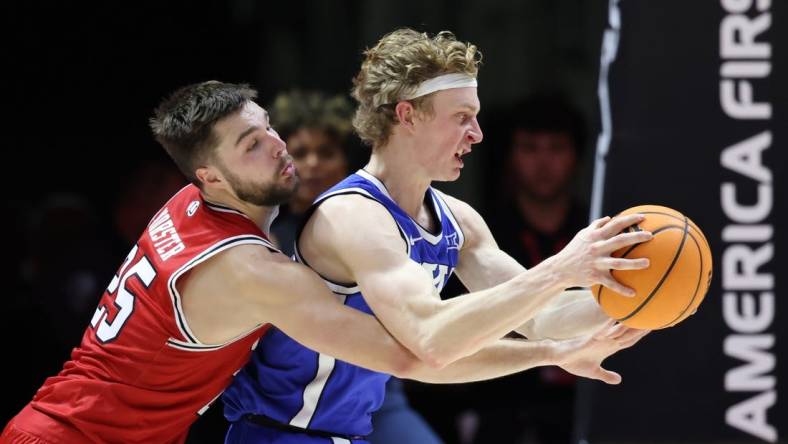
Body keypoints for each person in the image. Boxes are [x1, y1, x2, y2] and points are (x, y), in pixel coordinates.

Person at [222, 29, 652, 443]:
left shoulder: (457, 219)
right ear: (408, 115)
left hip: (349, 430)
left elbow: (542, 317)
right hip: (279, 432)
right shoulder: (350, 216)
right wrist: (561, 269)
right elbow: (432, 339)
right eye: (462, 117)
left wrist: (644, 296)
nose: (478, 134)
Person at [0, 81, 421, 444]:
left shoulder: (187, 202)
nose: (277, 145)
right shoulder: (252, 271)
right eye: (251, 145)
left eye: (268, 126)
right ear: (211, 175)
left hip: (65, 420)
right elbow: (411, 353)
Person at [239, 90, 444, 444]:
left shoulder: (386, 223)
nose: (314, 164)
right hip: (294, 412)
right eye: (300, 153)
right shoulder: (263, 239)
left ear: (347, 161)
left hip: (380, 400)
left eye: (327, 153)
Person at [470, 94, 593, 443]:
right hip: (500, 408)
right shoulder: (481, 234)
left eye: (556, 148)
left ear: (577, 158)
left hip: (586, 404)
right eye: (529, 148)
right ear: (510, 156)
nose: (543, 163)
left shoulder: (599, 231)